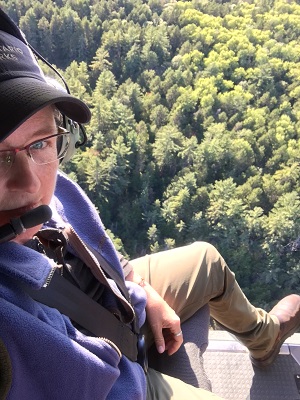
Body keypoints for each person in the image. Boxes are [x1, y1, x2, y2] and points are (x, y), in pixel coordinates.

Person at [0, 9, 299, 400]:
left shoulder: (53, 187)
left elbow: (91, 248)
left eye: (39, 142)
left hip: (110, 296)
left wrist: (136, 288)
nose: (30, 182)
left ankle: (265, 339)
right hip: (120, 382)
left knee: (206, 262)